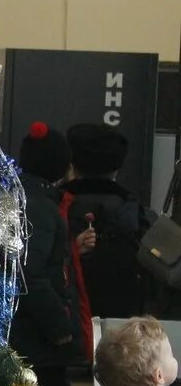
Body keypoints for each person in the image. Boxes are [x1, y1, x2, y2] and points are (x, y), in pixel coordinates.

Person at [10, 121, 81, 386]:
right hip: (38, 336)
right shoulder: (42, 207)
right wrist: (59, 329)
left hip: (23, 331)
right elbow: (32, 276)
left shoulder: (25, 199)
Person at [61, 123, 151, 319]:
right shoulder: (135, 212)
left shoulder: (54, 205)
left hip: (64, 320)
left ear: (72, 163)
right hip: (125, 322)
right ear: (116, 168)